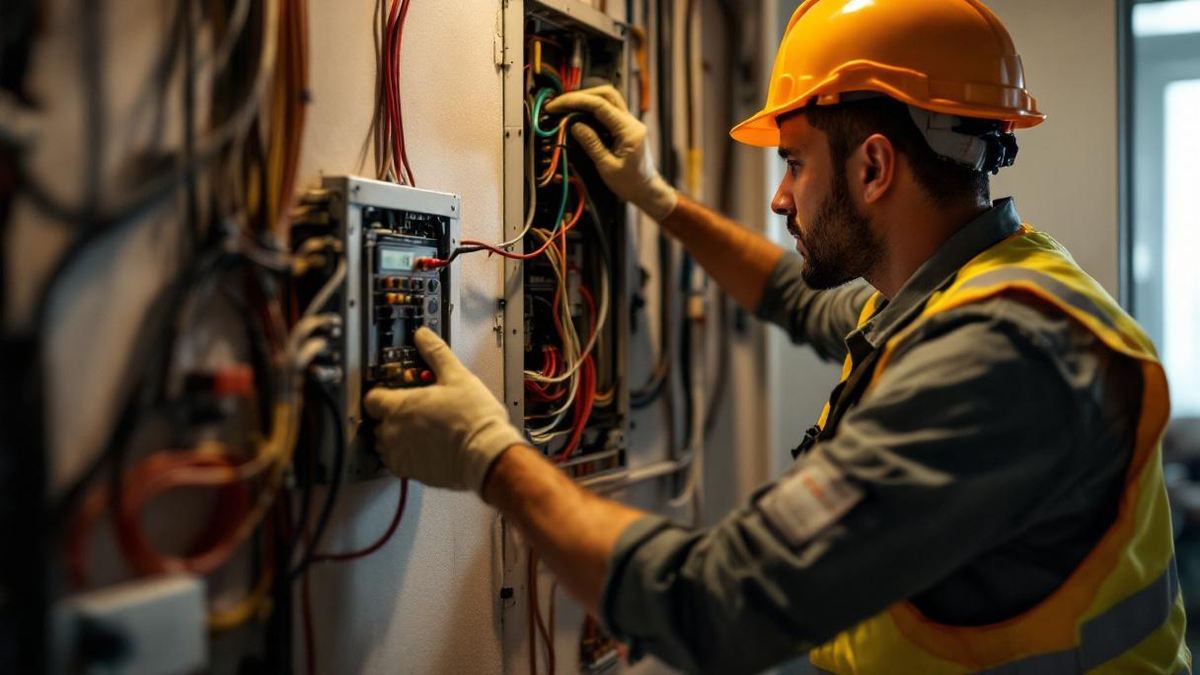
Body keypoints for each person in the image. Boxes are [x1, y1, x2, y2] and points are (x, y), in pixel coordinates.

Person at [364, 1, 1189, 672]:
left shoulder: (998, 361)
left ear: (873, 168)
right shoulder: (967, 287)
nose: (778, 196)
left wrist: (488, 457)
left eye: (793, 162)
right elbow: (793, 295)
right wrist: (658, 200)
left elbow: (718, 606)